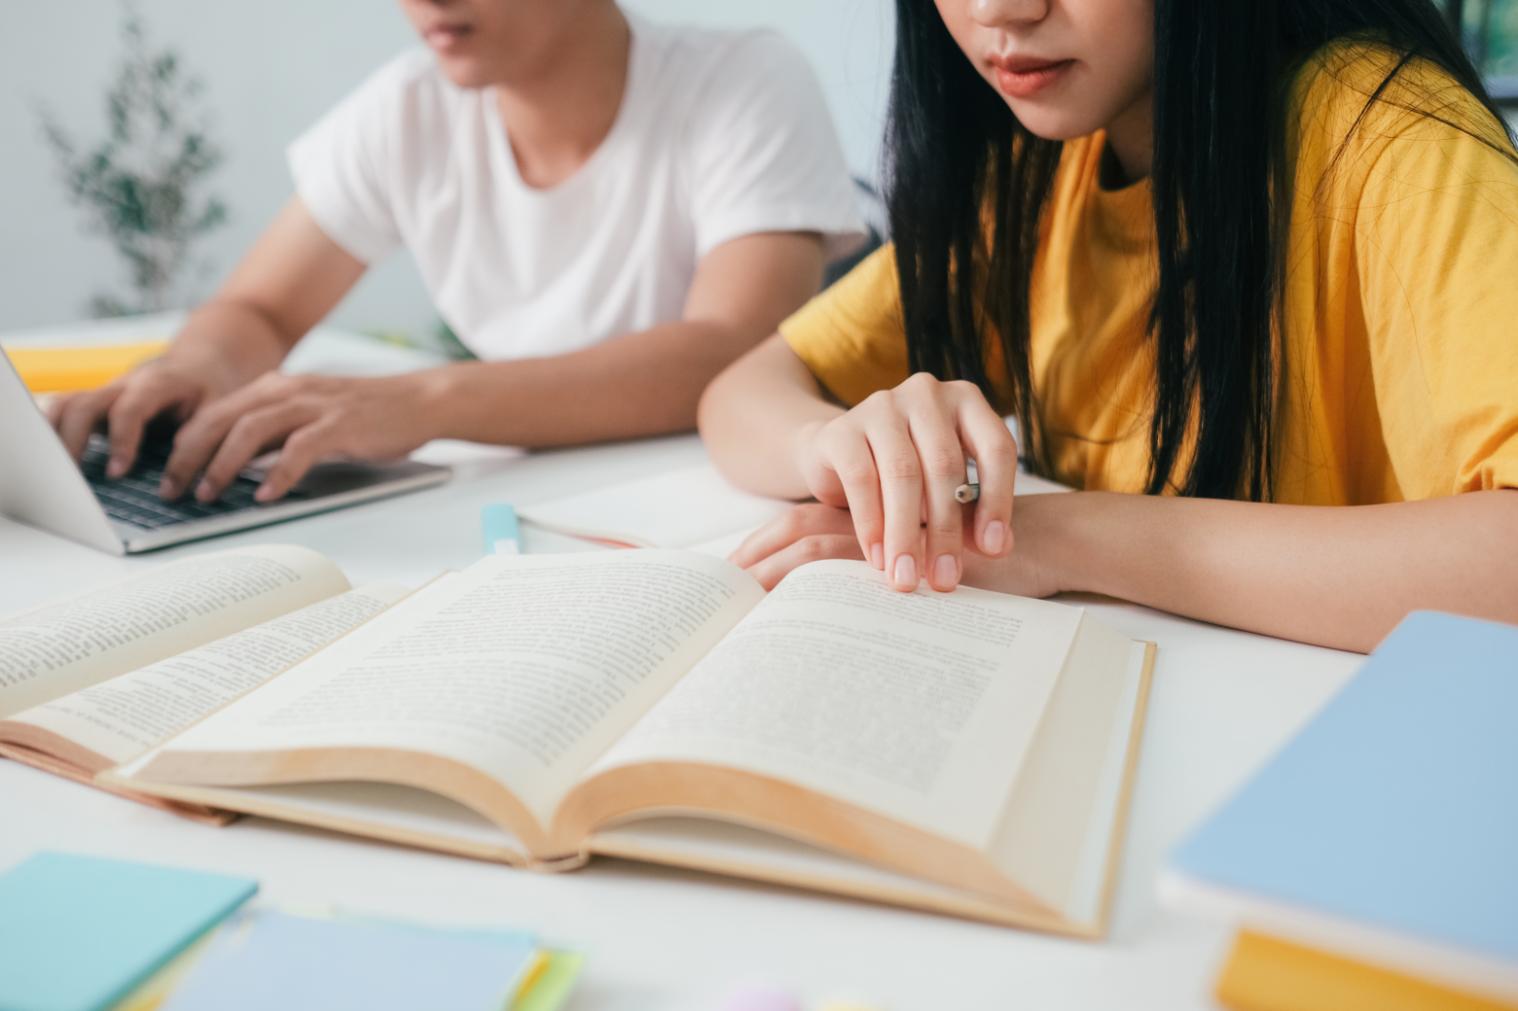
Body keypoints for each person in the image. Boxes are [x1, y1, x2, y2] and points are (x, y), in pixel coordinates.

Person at [699, 0, 1518, 653]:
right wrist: (840, 449)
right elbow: (744, 391)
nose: (1000, 9)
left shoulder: (1394, 137)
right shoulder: (1039, 176)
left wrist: (1056, 537)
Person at [50, 0, 862, 505]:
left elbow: (732, 351)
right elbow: (260, 308)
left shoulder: (744, 81)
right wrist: (190, 368)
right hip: (529, 507)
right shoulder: (407, 112)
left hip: (719, 509)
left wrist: (423, 402)